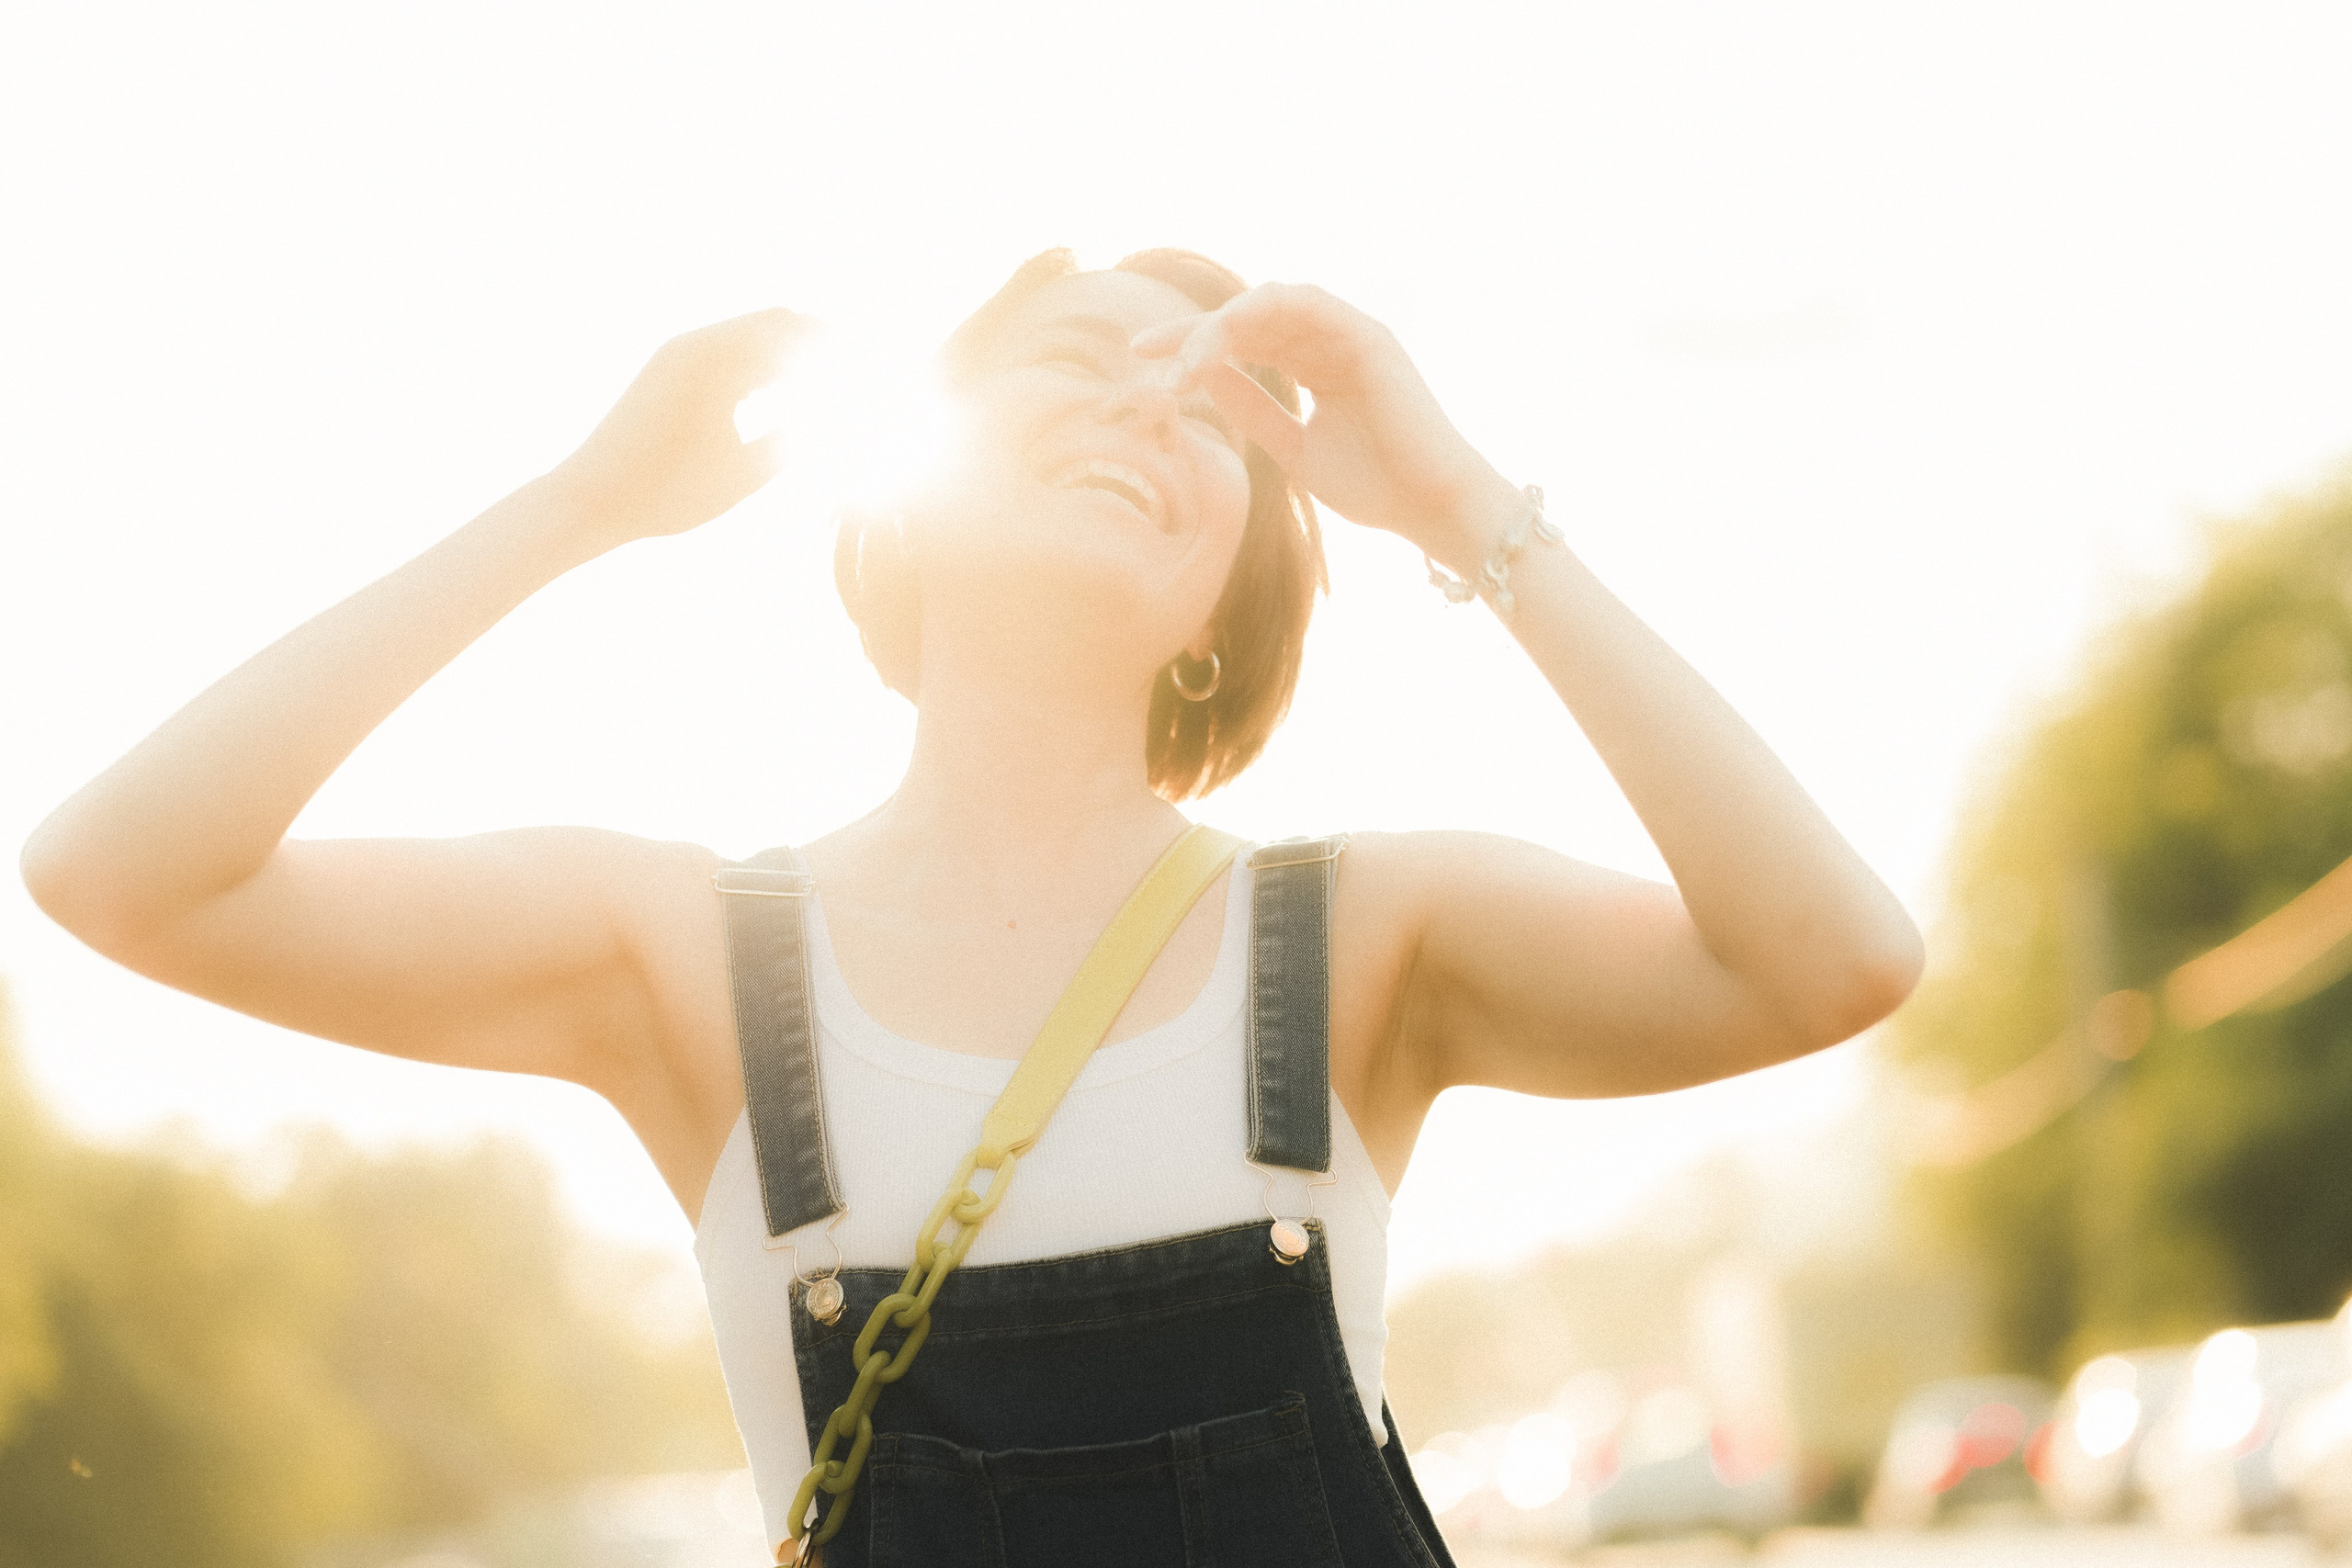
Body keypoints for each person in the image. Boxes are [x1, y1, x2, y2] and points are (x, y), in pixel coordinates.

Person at [22, 246, 1925, 1564]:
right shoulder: (684, 957)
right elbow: (120, 865)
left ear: (1228, 595)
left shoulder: (1358, 942)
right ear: (906, 485)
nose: (1136, 403)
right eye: (1071, 360)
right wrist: (583, 498)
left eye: (1207, 410)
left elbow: (1831, 953)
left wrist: (1447, 499)